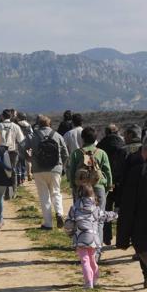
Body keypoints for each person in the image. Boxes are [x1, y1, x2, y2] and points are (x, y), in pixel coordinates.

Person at [67, 127, 113, 260]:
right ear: (95, 139)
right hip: (98, 187)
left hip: (81, 188)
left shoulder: (76, 153)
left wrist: (73, 187)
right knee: (99, 219)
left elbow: (71, 172)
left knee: (81, 218)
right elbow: (107, 171)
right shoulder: (101, 153)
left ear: (82, 139)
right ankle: (97, 251)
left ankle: (82, 245)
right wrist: (108, 185)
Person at [65, 184, 118, 289]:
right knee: (92, 259)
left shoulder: (74, 208)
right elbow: (105, 215)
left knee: (85, 260)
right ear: (92, 195)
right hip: (93, 239)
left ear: (78, 195)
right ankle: (95, 278)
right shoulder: (95, 208)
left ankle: (88, 282)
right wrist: (116, 214)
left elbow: (68, 224)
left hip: (81, 238)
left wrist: (69, 231)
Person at [26, 115, 69, 230]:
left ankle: (48, 223)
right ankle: (59, 213)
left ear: (39, 124)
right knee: (56, 193)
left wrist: (29, 159)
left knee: (44, 196)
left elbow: (22, 147)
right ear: (50, 124)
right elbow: (66, 154)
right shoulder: (57, 135)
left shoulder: (32, 136)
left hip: (38, 169)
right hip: (55, 169)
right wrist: (61, 166)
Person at [116, 138, 147, 288]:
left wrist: (122, 238)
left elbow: (128, 208)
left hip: (141, 230)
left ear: (144, 152)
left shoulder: (137, 172)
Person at [96, 124, 127, 245]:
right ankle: (121, 239)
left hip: (106, 183)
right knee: (121, 211)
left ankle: (106, 236)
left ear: (106, 132)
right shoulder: (123, 144)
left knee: (105, 209)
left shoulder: (100, 145)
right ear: (117, 131)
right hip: (121, 182)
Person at [0, 109, 25, 198]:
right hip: (13, 151)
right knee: (13, 171)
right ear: (11, 116)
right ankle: (14, 191)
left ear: (2, 116)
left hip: (1, 151)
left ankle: (5, 192)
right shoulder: (15, 126)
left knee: (3, 171)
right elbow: (21, 140)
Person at [16, 112, 34, 184]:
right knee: (27, 159)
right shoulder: (28, 125)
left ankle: (20, 176)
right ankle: (26, 174)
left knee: (19, 161)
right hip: (27, 143)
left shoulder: (17, 125)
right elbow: (31, 134)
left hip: (18, 144)